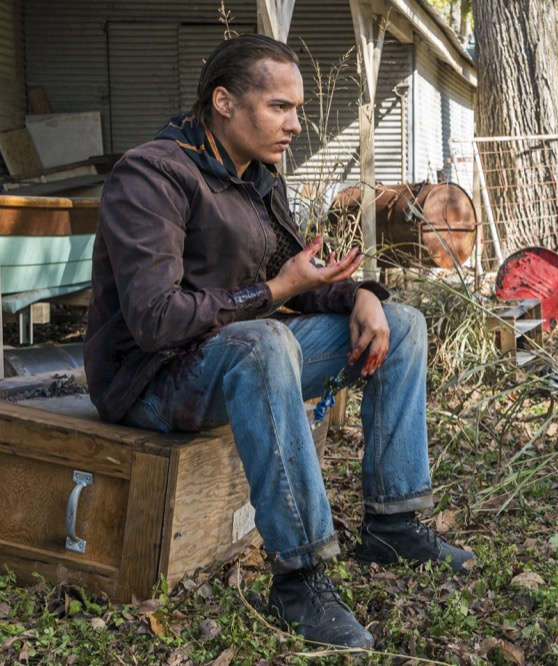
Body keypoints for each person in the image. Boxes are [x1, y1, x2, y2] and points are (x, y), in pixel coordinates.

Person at [84, 34, 474, 650]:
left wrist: (362, 295)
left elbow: (302, 277)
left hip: (231, 356)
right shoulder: (151, 175)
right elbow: (155, 320)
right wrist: (272, 291)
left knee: (401, 326)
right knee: (264, 342)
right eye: (279, 107)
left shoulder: (258, 178)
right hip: (150, 380)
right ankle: (300, 577)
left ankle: (393, 523)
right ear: (223, 101)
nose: (296, 124)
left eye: (297, 108)